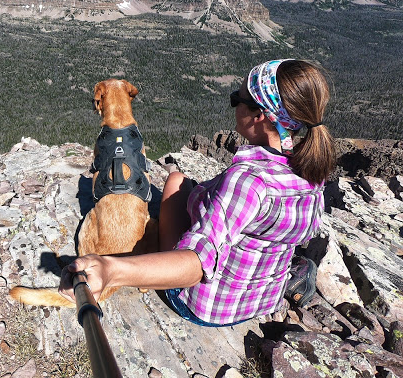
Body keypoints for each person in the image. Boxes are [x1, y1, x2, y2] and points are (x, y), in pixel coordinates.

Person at [58, 59, 335, 326]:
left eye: (235, 99)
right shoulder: (311, 168)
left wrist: (111, 270)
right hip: (262, 300)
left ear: (258, 115)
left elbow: (196, 265)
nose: (234, 105)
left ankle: (154, 272)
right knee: (192, 190)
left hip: (206, 307)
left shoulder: (249, 180)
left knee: (176, 181)